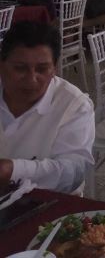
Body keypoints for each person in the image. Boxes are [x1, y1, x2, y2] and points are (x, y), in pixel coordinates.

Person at [0, 22, 95, 193]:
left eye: (42, 69)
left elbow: (73, 172)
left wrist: (12, 170)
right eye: (20, 68)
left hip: (47, 204)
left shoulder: (73, 105)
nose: (31, 79)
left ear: (54, 69)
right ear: (2, 65)